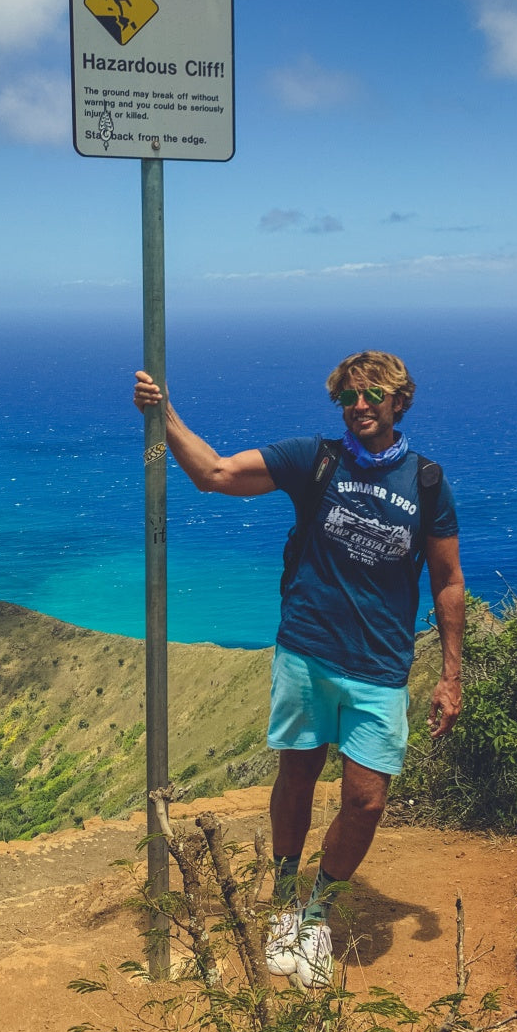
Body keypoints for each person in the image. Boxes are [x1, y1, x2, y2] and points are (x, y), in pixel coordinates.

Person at [132, 350, 464, 987]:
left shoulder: (425, 482)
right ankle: (288, 906)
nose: (360, 406)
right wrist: (165, 414)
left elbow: (449, 581)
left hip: (379, 668)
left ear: (400, 403)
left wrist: (450, 676)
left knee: (366, 802)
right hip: (307, 652)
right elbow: (217, 474)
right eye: (349, 397)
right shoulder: (316, 460)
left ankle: (318, 912)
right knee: (296, 777)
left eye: (374, 396)